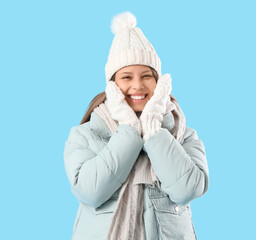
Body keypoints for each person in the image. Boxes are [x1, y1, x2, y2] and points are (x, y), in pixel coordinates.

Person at [63, 11, 209, 240]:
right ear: (112, 86)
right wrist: (130, 131)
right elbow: (90, 192)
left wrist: (153, 131)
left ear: (159, 84)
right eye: (127, 77)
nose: (138, 85)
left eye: (147, 76)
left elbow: (188, 190)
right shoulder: (84, 134)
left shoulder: (184, 135)